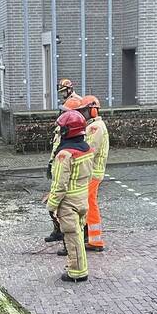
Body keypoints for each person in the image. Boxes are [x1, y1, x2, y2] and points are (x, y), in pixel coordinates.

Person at [47, 110, 95, 282]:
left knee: (72, 237)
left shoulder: (64, 155)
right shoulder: (87, 149)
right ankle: (79, 266)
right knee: (78, 235)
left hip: (68, 203)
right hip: (82, 199)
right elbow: (89, 175)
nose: (59, 131)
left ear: (68, 131)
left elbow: (60, 184)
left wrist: (51, 205)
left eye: (61, 129)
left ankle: (77, 271)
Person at [75, 95, 109, 252]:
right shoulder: (93, 126)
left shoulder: (96, 127)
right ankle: (93, 238)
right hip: (93, 172)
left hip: (92, 173)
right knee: (89, 203)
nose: (83, 114)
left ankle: (95, 240)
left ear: (93, 111)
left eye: (85, 111)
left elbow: (89, 150)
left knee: (88, 203)